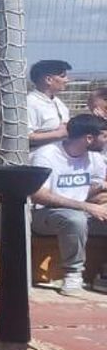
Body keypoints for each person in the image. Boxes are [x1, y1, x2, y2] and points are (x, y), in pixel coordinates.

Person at [30, 115, 107, 295]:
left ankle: (104, 276)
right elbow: (39, 195)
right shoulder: (46, 155)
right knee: (75, 219)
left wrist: (101, 195)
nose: (106, 141)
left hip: (80, 210)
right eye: (104, 136)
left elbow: (90, 191)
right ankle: (73, 274)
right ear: (89, 138)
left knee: (80, 216)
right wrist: (85, 206)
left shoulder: (94, 159)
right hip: (44, 215)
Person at [27, 59, 72, 151]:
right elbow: (25, 138)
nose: (67, 80)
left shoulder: (58, 102)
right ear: (48, 80)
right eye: (63, 76)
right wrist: (59, 134)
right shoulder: (30, 103)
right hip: (39, 158)